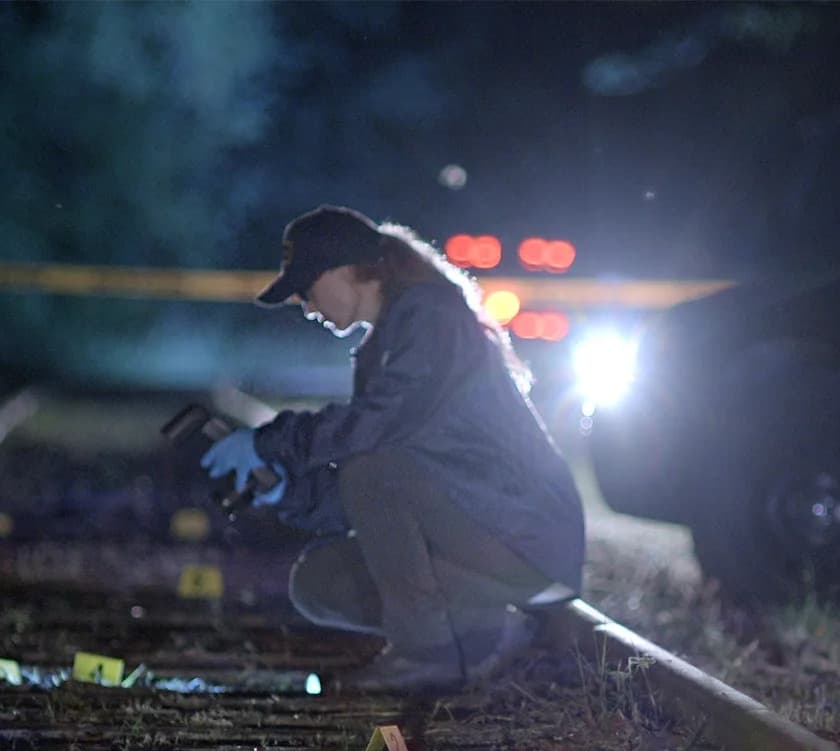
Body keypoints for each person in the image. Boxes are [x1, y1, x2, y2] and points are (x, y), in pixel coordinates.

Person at [200, 205, 585, 692]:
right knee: (320, 582)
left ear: (345, 271)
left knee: (372, 467)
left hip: (527, 537)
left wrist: (271, 439)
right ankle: (489, 634)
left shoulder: (432, 317)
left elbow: (375, 436)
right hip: (479, 534)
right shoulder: (384, 345)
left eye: (307, 287)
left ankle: (426, 656)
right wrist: (289, 492)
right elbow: (372, 495)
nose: (306, 305)